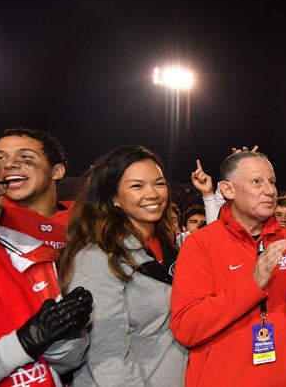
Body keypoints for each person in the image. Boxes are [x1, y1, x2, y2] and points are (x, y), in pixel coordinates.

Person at [170, 149, 286, 386]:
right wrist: (252, 284)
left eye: (272, 181)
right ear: (228, 190)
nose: (270, 190)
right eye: (257, 182)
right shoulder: (200, 244)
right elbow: (187, 328)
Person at [57, 145, 188, 385]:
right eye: (137, 186)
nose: (153, 194)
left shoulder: (170, 247)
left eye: (159, 183)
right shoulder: (97, 257)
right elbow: (107, 356)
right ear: (113, 197)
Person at [0, 143, 93, 387]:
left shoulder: (13, 254)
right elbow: (24, 345)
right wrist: (24, 343)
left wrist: (66, 334)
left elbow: (60, 364)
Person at [0, 127, 71, 252]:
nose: (8, 164)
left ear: (56, 172)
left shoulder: (87, 220)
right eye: (0, 158)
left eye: (25, 157)